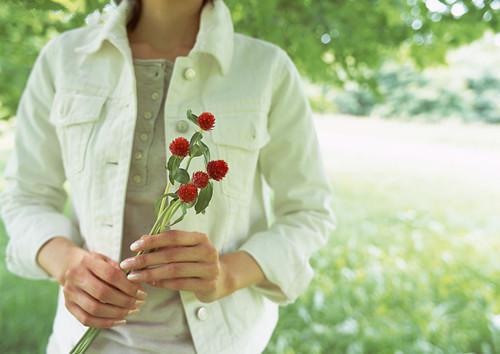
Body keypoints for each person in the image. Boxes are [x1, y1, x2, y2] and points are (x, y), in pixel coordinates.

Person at [0, 0, 336, 353]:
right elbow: (27, 195)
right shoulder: (64, 58)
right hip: (82, 341)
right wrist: (67, 263)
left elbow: (308, 212)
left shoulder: (266, 68)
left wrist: (228, 273)